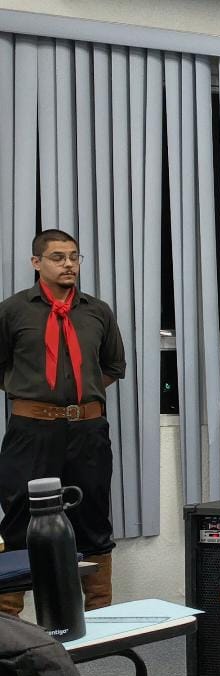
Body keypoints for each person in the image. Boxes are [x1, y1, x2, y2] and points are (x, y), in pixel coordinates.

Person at [0, 229, 126, 616]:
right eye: (58, 257)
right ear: (36, 263)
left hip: (87, 431)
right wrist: (38, 395)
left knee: (92, 518)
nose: (68, 264)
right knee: (20, 519)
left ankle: (100, 615)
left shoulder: (97, 311)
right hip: (31, 431)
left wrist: (76, 398)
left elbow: (112, 366)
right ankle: (8, 621)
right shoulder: (13, 311)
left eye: (74, 256)